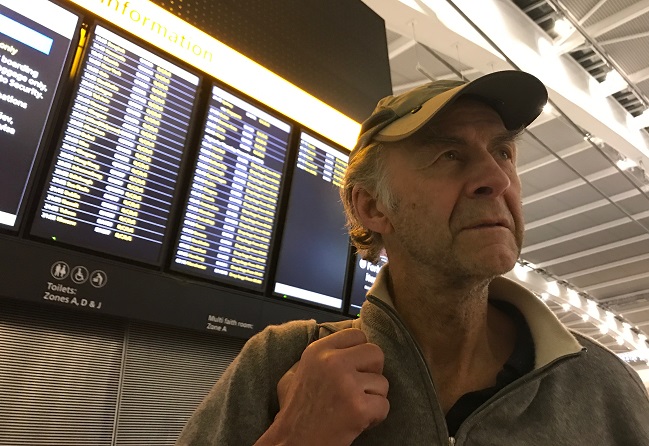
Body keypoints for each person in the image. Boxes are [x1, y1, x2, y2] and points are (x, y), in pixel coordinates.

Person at [176, 71, 649, 445]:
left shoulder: (604, 388)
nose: (497, 179)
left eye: (503, 152)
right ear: (372, 206)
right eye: (448, 154)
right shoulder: (280, 364)